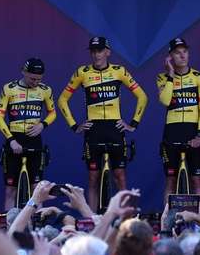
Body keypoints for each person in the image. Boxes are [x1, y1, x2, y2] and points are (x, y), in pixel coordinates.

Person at [57, 36, 148, 212]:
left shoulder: (119, 71)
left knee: (120, 176)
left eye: (99, 50)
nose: (96, 54)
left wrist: (133, 123)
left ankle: (126, 218)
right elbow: (62, 100)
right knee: (93, 178)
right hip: (94, 130)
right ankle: (91, 220)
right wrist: (74, 125)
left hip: (115, 128)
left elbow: (142, 97)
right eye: (93, 51)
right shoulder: (82, 72)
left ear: (107, 52)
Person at [0, 58, 57, 209]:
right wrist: (11, 140)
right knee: (11, 190)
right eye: (32, 78)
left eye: (39, 79)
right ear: (23, 72)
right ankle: (9, 227)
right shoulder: (9, 88)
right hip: (14, 139)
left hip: (34, 140)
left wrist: (43, 124)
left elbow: (52, 113)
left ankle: (37, 225)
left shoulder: (45, 90)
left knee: (37, 189)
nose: (35, 82)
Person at [155, 37, 200, 204]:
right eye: (177, 53)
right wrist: (171, 75)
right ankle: (166, 223)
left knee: (196, 181)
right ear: (170, 57)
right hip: (172, 132)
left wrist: (199, 135)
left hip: (193, 130)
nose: (182, 56)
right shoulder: (162, 78)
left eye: (184, 51)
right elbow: (164, 101)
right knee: (170, 180)